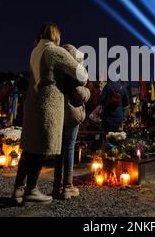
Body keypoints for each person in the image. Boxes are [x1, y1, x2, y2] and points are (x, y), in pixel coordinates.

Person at [12, 23, 88, 206]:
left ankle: (18, 189)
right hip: (47, 106)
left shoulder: (35, 51)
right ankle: (31, 190)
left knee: (30, 149)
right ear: (55, 35)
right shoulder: (54, 51)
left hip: (32, 104)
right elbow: (82, 75)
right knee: (40, 150)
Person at [53, 44, 90, 199]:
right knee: (69, 148)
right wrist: (87, 92)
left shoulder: (57, 71)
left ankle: (56, 186)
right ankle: (68, 186)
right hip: (71, 114)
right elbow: (80, 95)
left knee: (58, 150)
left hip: (58, 113)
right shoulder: (73, 74)